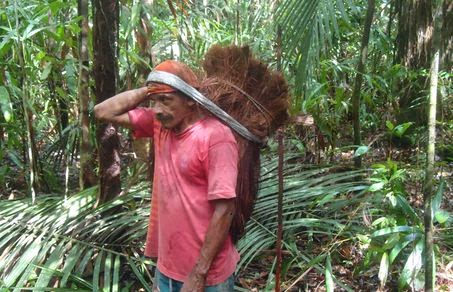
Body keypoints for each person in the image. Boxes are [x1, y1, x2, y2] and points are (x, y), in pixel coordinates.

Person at [94, 60, 239, 291]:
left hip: (207, 275)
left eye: (166, 100)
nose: (158, 109)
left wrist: (198, 274)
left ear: (190, 99)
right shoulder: (160, 125)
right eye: (155, 101)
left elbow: (225, 208)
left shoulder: (215, 137)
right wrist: (153, 88)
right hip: (167, 269)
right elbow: (102, 111)